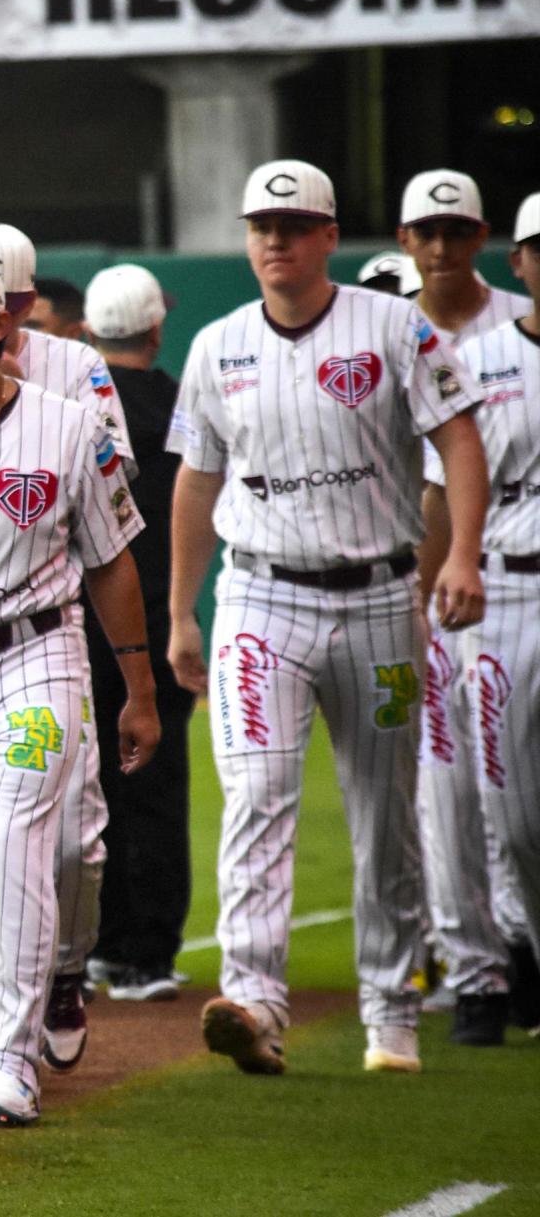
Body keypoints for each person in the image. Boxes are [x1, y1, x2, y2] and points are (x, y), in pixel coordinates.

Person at [168, 159, 488, 1077]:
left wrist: (461, 554)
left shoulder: (393, 325)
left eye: (295, 225)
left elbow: (459, 436)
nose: (276, 239)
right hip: (260, 595)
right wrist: (182, 608)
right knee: (256, 794)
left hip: (382, 594)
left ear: (328, 235)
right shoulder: (218, 344)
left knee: (383, 814)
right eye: (261, 226)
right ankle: (254, 1000)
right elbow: (198, 478)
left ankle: (392, 1008)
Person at [0, 250, 159, 1126]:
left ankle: (10, 1057)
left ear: (1, 327)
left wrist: (139, 687)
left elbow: (111, 559)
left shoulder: (68, 424)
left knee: (24, 844)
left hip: (38, 652)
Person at [395, 169, 533, 1045]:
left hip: (490, 577)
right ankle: (475, 968)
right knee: (444, 792)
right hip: (415, 581)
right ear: (406, 239)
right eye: (427, 231)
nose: (441, 246)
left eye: (456, 230)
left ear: (484, 239)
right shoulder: (386, 327)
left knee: (508, 791)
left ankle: (517, 945)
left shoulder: (515, 321)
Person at [433, 192, 540, 1039]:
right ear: (519, 260)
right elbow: (441, 489)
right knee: (512, 811)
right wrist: (432, 593)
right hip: (506, 591)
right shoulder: (480, 360)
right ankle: (519, 954)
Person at [77, 266, 195, 1001]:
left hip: (79, 623)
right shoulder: (184, 405)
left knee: (87, 788)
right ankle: (149, 953)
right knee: (155, 785)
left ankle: (101, 940)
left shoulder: (67, 405)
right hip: (158, 619)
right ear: (155, 328)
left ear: (89, 331)